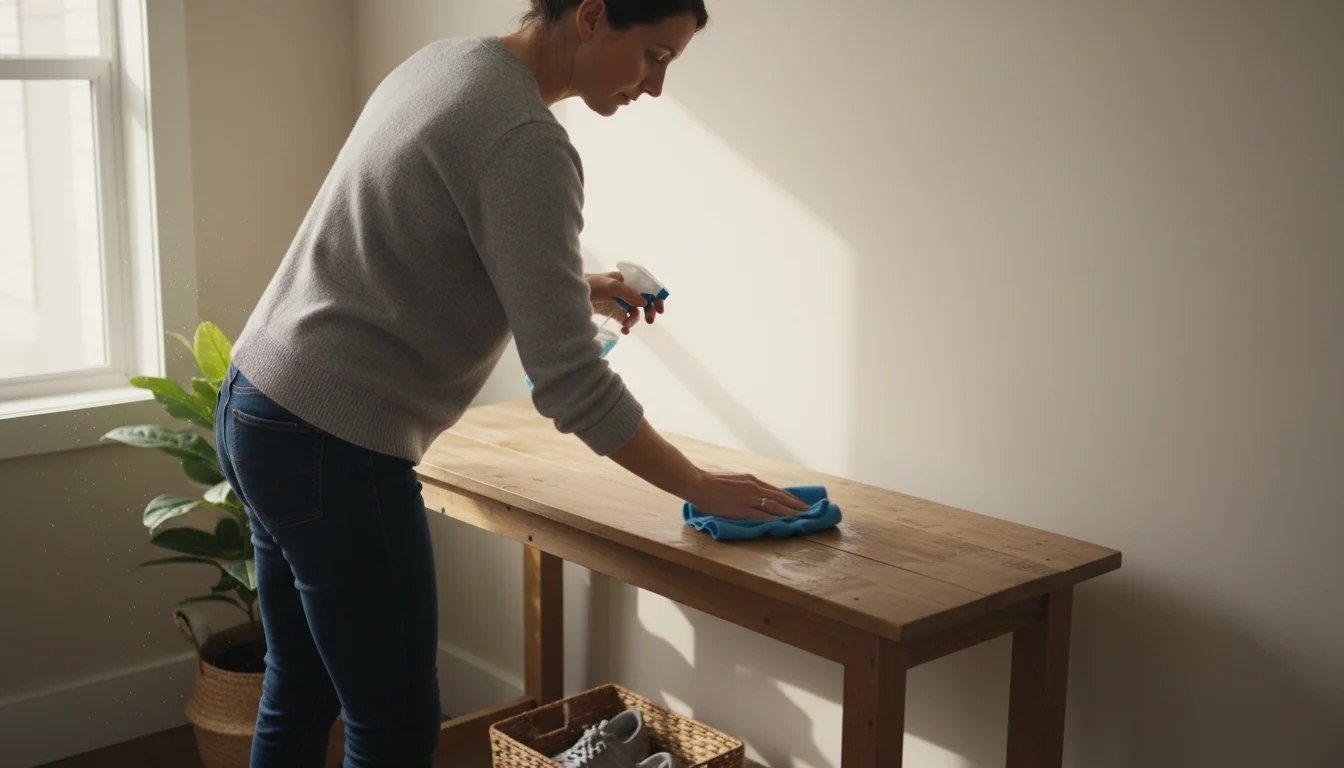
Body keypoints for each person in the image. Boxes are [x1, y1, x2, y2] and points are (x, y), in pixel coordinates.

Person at [213, 1, 809, 765]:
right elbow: (571, 386)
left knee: (300, 686)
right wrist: (699, 485)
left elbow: (422, 239)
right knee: (391, 721)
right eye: (654, 55)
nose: (656, 86)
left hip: (261, 402)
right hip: (334, 444)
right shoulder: (526, 140)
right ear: (593, 16)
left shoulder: (448, 64)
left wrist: (575, 290)